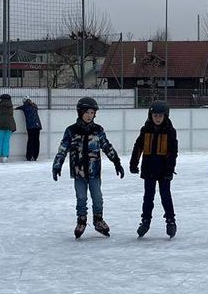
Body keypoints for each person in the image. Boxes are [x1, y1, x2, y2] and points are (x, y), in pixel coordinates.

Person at [53, 96, 124, 238]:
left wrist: (116, 161)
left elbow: (106, 146)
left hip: (94, 172)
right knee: (81, 198)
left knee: (97, 197)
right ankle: (81, 220)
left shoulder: (98, 130)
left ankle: (98, 220)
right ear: (80, 112)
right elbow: (63, 148)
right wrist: (57, 165)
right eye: (87, 112)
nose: (89, 116)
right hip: (78, 172)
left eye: (92, 113)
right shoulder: (71, 131)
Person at [130, 99, 178, 239]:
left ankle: (170, 221)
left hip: (164, 171)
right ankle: (145, 221)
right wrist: (134, 164)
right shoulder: (146, 130)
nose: (157, 118)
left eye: (160, 116)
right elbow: (138, 147)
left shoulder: (170, 131)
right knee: (148, 197)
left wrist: (170, 170)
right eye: (155, 115)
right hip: (149, 169)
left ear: (165, 116)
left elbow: (172, 152)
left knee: (165, 197)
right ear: (150, 116)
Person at [16, 96, 43, 161]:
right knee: (36, 141)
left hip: (30, 126)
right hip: (38, 125)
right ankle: (35, 156)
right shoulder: (35, 106)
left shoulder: (24, 107)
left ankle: (29, 156)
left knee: (30, 140)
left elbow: (18, 108)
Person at [0, 94, 17, 163]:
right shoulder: (11, 106)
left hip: (1, 124)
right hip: (9, 125)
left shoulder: (0, 105)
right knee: (6, 141)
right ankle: (5, 156)